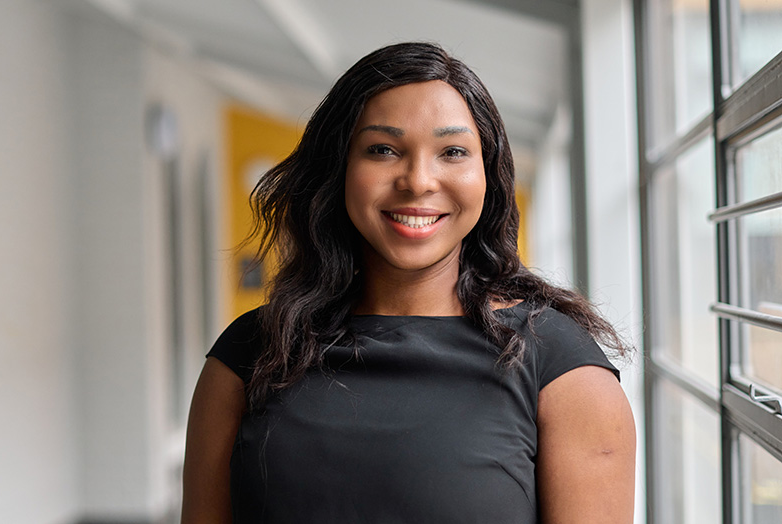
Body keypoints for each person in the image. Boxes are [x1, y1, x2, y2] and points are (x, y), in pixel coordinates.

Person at [181, 42, 635, 524]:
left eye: (453, 151)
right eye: (383, 149)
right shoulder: (249, 354)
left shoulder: (559, 369)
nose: (418, 181)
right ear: (338, 170)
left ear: (489, 176)